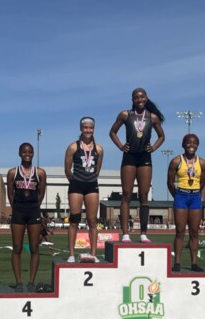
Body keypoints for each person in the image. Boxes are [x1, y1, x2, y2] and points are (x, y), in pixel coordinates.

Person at [109, 87, 165, 243]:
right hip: (129, 157)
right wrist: (121, 146)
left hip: (145, 158)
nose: (139, 100)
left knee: (144, 195)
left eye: (142, 97)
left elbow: (162, 136)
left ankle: (143, 233)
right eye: (136, 98)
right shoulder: (125, 115)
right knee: (126, 194)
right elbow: (112, 132)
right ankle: (125, 233)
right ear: (132, 100)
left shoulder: (152, 117)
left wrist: (153, 147)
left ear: (146, 98)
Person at [7, 142, 46, 293]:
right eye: (24, 152)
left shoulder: (40, 173)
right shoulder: (12, 172)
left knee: (34, 247)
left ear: (33, 153)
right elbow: (10, 193)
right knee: (17, 247)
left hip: (33, 211)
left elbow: (41, 192)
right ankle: (18, 281)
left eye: (30, 152)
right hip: (18, 212)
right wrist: (15, 207)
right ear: (19, 153)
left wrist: (36, 206)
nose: (27, 154)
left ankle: (31, 281)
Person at [65, 116, 104, 263]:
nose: (88, 130)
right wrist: (75, 181)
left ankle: (93, 254)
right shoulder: (73, 147)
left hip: (91, 185)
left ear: (94, 129)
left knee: (92, 220)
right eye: (85, 127)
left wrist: (90, 179)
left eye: (91, 128)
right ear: (81, 129)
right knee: (74, 220)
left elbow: (97, 170)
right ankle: (71, 254)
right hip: (76, 185)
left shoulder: (99, 149)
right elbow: (67, 169)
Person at [167, 134, 205, 272]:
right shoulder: (175, 161)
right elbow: (170, 182)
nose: (191, 145)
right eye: (188, 143)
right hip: (181, 196)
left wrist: (194, 192)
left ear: (198, 145)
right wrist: (178, 195)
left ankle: (194, 263)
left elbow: (202, 182)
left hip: (195, 196)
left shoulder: (202, 163)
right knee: (180, 231)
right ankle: (177, 262)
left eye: (194, 143)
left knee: (194, 232)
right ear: (183, 144)